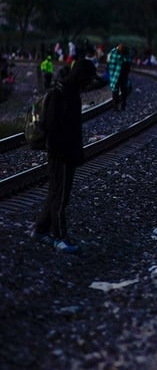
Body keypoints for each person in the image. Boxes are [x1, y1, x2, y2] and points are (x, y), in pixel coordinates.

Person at [30, 59, 97, 253]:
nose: (89, 83)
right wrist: (67, 152)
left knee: (55, 193)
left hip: (65, 152)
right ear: (80, 76)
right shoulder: (63, 94)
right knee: (61, 198)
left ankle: (41, 230)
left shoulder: (69, 91)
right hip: (62, 154)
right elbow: (54, 127)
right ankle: (60, 237)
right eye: (88, 78)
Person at [107, 43, 132, 111]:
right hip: (115, 74)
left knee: (123, 90)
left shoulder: (127, 53)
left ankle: (123, 105)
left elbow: (128, 63)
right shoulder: (113, 52)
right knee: (115, 91)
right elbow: (111, 63)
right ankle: (115, 106)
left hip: (123, 74)